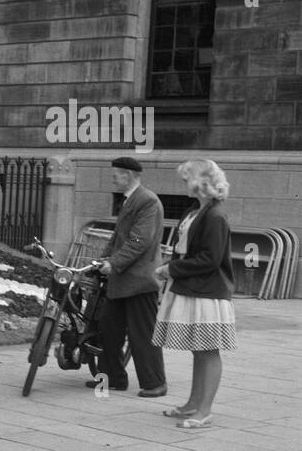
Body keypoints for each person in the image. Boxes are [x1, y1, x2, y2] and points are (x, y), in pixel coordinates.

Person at [153, 159, 237, 428]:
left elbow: (210, 260)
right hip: (194, 288)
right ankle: (193, 404)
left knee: (208, 350)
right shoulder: (195, 211)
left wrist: (171, 268)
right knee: (198, 349)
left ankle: (204, 410)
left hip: (209, 292)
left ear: (202, 181)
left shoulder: (214, 216)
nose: (183, 183)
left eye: (186, 178)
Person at [89, 156, 167, 396]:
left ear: (128, 175)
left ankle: (155, 383)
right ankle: (112, 379)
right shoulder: (131, 200)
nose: (113, 179)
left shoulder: (147, 200)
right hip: (123, 280)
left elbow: (139, 240)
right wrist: (103, 259)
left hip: (140, 281)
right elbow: (117, 238)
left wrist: (114, 263)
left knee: (142, 334)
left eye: (116, 175)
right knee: (108, 330)